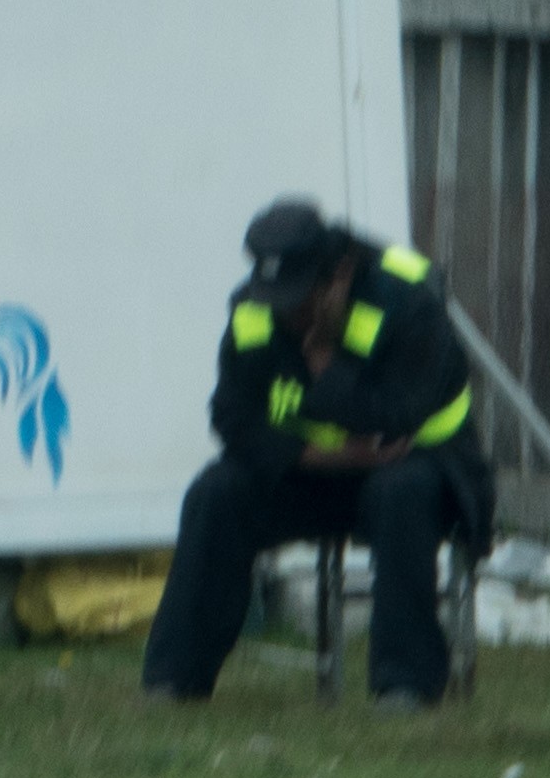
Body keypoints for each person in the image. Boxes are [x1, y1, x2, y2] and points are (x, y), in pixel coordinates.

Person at [137, 195, 489, 711]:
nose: (287, 313)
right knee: (216, 492)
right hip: (316, 472)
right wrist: (329, 457)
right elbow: (233, 420)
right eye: (275, 297)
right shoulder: (253, 314)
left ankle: (404, 685)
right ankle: (173, 681)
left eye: (301, 298)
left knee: (402, 491)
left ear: (340, 275)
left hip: (420, 471)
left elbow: (398, 414)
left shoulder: (408, 305)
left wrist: (325, 361)